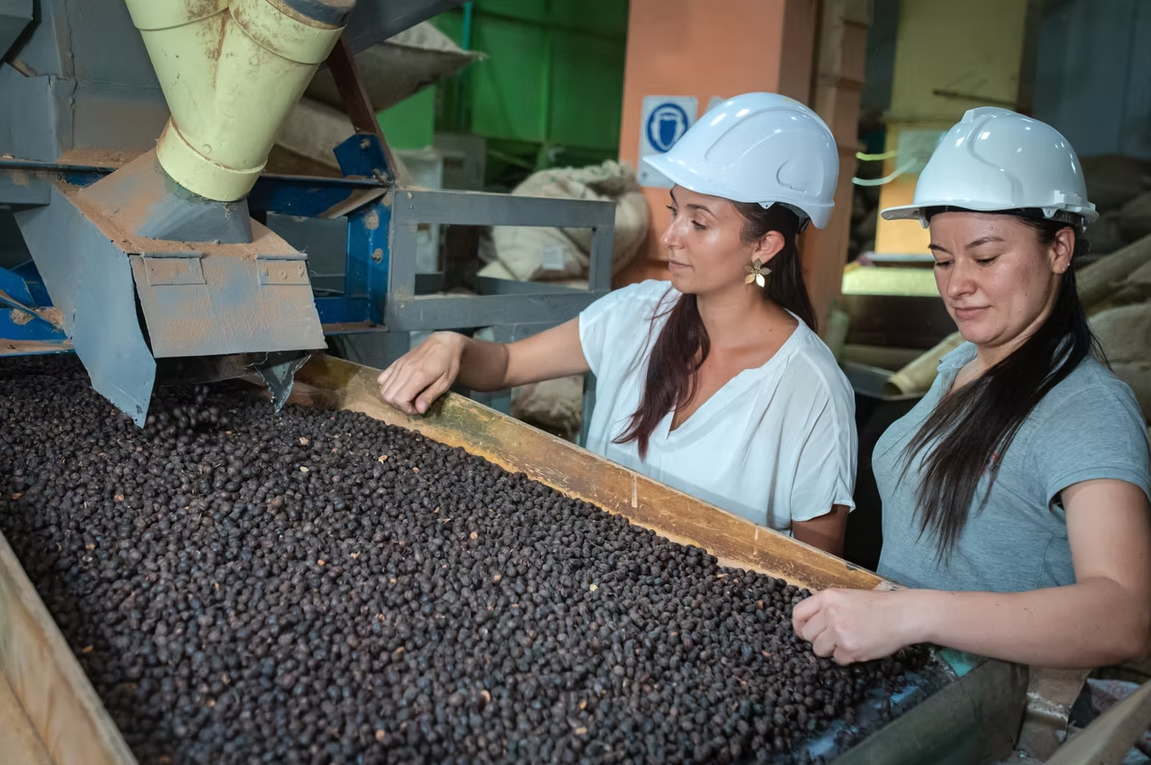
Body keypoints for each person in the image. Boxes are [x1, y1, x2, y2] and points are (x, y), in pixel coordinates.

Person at [377, 93, 858, 555]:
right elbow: (502, 365)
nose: (670, 237)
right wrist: (453, 346)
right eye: (675, 212)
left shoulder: (810, 389)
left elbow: (815, 573)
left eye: (700, 223)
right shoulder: (637, 314)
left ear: (765, 247)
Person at [793, 107, 1151, 668]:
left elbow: (1124, 614)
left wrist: (912, 614)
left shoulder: (1086, 408)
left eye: (985, 257)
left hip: (994, 710)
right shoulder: (958, 367)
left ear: (1059, 249)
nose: (958, 284)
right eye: (942, 260)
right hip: (905, 681)